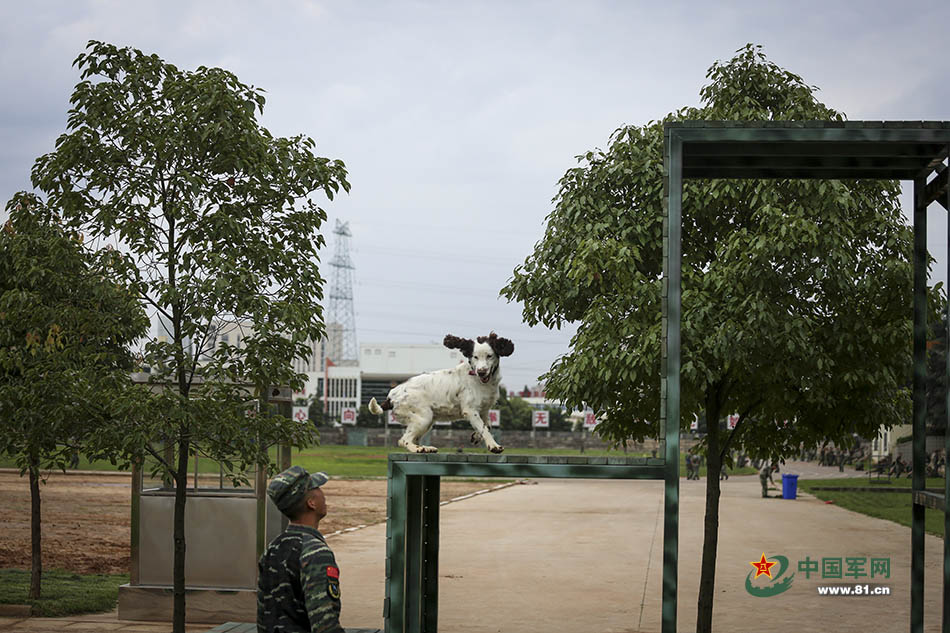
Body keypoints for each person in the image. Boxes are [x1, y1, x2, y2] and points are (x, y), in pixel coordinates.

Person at [258, 466, 344, 633]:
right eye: (316, 488)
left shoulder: (272, 548)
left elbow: (263, 618)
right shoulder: (316, 552)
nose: (322, 493)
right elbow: (325, 624)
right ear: (311, 503)